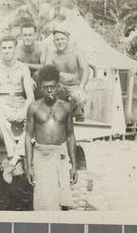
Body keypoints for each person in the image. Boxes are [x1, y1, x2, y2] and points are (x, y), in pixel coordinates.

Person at [25, 65, 77, 211]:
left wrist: (73, 165)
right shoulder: (34, 108)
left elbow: (71, 135)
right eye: (45, 87)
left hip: (60, 155)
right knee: (43, 197)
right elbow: (28, 136)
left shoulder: (66, 108)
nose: (49, 91)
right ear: (40, 87)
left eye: (52, 87)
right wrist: (29, 166)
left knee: (62, 196)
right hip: (41, 155)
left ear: (58, 86)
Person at [0, 35, 35, 184]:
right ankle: (14, 157)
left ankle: (11, 163)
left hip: (20, 101)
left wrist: (23, 110)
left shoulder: (23, 68)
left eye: (10, 48)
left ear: (15, 49)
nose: (7, 51)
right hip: (0, 103)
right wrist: (6, 109)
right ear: (0, 49)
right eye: (4, 48)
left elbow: (30, 96)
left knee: (33, 123)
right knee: (0, 119)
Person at [45, 25, 89, 121]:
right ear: (54, 42)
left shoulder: (76, 52)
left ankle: (77, 111)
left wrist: (81, 87)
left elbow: (85, 69)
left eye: (62, 39)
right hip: (59, 87)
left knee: (80, 98)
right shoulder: (51, 53)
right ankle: (60, 111)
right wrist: (59, 75)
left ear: (68, 39)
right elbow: (47, 70)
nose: (60, 42)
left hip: (75, 86)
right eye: (57, 40)